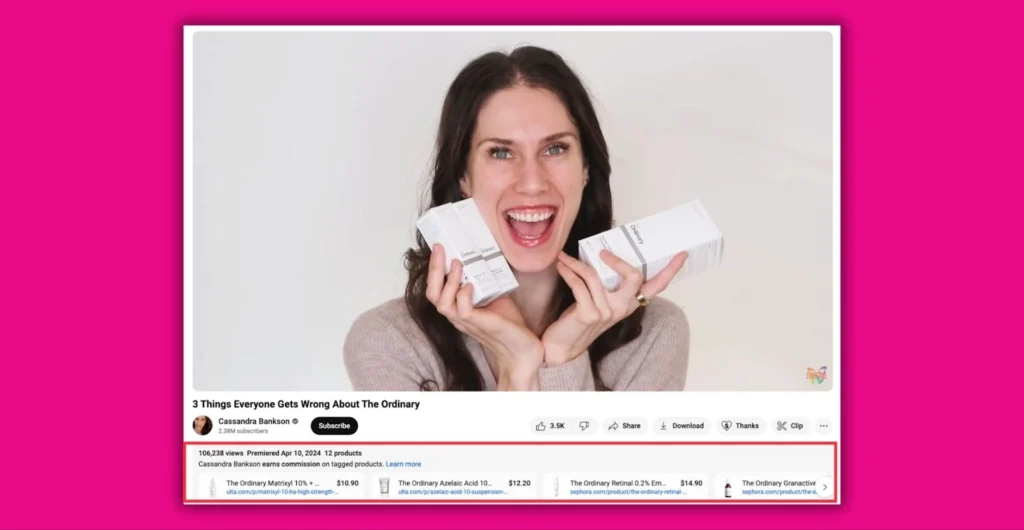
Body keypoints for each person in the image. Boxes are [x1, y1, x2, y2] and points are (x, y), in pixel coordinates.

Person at [344, 45, 690, 391]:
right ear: (463, 176)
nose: (532, 182)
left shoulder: (654, 333)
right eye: (501, 152)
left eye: (555, 148)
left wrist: (562, 356)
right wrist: (516, 368)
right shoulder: (389, 343)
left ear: (586, 168)